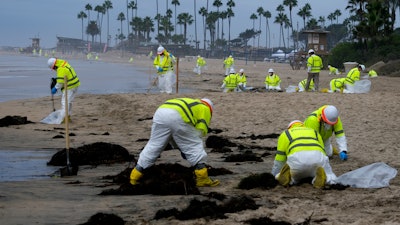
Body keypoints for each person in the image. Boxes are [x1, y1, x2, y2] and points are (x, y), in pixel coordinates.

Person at [129, 98, 220, 187]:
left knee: (154, 145)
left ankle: (135, 176)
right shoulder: (205, 108)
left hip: (161, 112)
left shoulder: (192, 102)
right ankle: (202, 179)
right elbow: (200, 132)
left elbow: (176, 135)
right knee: (194, 145)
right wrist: (190, 150)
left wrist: (181, 147)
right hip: (178, 116)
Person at [271, 120, 337, 188]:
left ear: (290, 127)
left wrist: (274, 175)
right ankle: (324, 179)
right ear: (303, 126)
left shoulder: (286, 133)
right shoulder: (314, 132)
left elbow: (280, 159)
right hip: (318, 159)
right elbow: (323, 152)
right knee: (330, 175)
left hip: (297, 160)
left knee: (294, 177)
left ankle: (289, 179)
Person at [47, 57, 81, 122]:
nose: (54, 70)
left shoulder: (60, 69)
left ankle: (64, 119)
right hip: (75, 85)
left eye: (53, 68)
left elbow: (60, 82)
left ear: (54, 66)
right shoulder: (63, 63)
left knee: (65, 102)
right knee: (69, 102)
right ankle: (68, 117)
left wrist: (55, 88)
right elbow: (64, 76)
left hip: (70, 87)